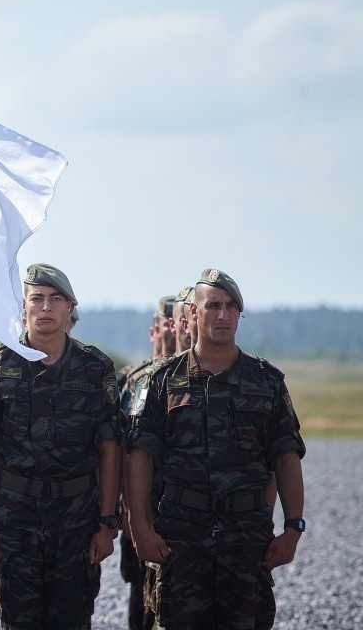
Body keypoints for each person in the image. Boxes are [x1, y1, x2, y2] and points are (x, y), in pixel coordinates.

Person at [126, 268, 306, 629]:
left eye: (231, 307)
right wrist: (140, 528)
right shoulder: (164, 379)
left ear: (239, 314)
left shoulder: (266, 381)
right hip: (182, 537)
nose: (223, 315)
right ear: (193, 313)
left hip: (246, 538)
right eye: (213, 306)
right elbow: (140, 456)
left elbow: (286, 457)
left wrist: (292, 529)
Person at [0, 263, 120, 630]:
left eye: (56, 300)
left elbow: (111, 448)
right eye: (37, 299)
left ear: (70, 308)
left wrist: (106, 521)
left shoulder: (95, 368)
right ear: (24, 308)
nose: (46, 307)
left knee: (73, 619)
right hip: (15, 518)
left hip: (77, 519)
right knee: (17, 621)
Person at [116, 293, 178, 630]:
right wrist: (124, 510)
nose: (171, 330)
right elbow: (120, 448)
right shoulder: (134, 378)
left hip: (180, 512)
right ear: (155, 329)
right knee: (141, 595)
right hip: (141, 507)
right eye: (164, 323)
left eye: (177, 322)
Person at [168, 286, 194, 354]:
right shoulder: (168, 365)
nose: (189, 325)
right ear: (172, 325)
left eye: (194, 318)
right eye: (184, 318)